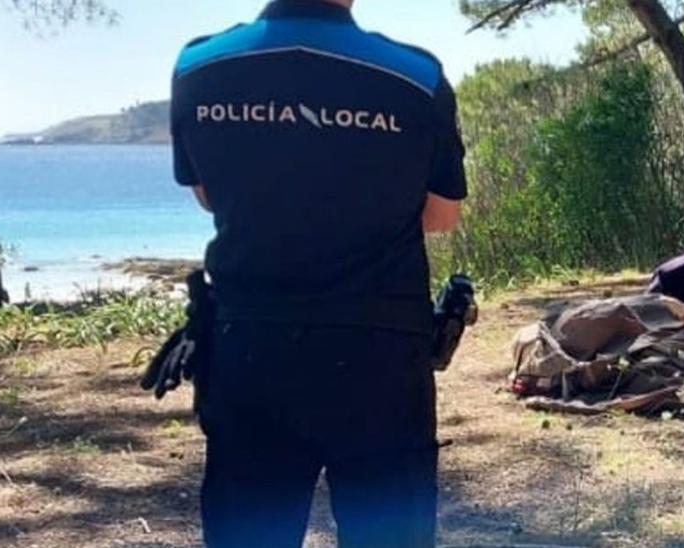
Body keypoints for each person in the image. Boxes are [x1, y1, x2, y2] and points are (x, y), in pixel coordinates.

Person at [169, 0, 466, 545]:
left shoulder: (199, 66)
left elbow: (210, 197)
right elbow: (442, 216)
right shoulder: (415, 76)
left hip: (250, 348)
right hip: (379, 358)